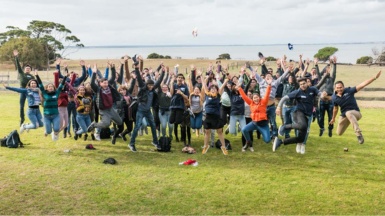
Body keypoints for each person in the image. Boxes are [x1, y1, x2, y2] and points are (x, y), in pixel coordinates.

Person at [273, 78, 326, 154]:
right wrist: (278, 107)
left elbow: (320, 94)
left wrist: (322, 95)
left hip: (309, 114)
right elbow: (284, 98)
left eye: (304, 83)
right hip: (299, 112)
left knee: (301, 138)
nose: (302, 85)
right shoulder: (297, 92)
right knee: (303, 126)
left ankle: (280, 142)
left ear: (307, 83)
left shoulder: (313, 89)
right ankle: (285, 126)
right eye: (301, 84)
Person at [330, 71, 381, 144]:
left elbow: (362, 85)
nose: (339, 89)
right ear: (335, 88)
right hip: (345, 115)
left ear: (343, 87)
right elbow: (335, 108)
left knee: (349, 113)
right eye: (338, 88)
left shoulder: (349, 91)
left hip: (356, 113)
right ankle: (351, 120)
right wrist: (333, 118)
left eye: (341, 87)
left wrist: (374, 78)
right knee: (339, 133)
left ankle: (358, 134)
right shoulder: (334, 97)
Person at [127, 57, 165, 152]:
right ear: (146, 85)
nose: (151, 87)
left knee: (153, 125)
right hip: (140, 110)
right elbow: (139, 79)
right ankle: (131, 144)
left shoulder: (153, 89)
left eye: (152, 86)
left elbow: (159, 81)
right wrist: (136, 68)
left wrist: (163, 72)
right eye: (149, 85)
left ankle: (155, 142)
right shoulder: (143, 88)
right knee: (137, 126)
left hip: (148, 111)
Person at [87, 64, 123, 139]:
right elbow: (92, 83)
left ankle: (114, 130)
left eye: (107, 83)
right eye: (104, 83)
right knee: (106, 124)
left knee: (120, 122)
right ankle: (94, 125)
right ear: (100, 83)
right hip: (103, 110)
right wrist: (93, 73)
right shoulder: (98, 89)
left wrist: (112, 68)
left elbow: (113, 78)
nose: (106, 84)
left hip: (111, 108)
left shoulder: (109, 87)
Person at [238, 79, 272, 152]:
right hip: (254, 123)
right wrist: (239, 88)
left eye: (257, 97)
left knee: (267, 140)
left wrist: (269, 85)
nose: (256, 99)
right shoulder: (251, 103)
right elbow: (244, 96)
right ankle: (248, 142)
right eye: (254, 98)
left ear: (259, 97)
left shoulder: (263, 102)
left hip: (263, 125)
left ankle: (269, 133)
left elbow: (267, 94)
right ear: (252, 99)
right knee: (244, 130)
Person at [36, 70, 67, 141]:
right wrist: (37, 76)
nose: (50, 87)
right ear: (47, 88)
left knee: (56, 129)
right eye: (49, 86)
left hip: (55, 115)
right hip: (46, 116)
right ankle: (47, 131)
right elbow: (40, 84)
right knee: (49, 131)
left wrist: (65, 77)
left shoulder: (56, 93)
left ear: (53, 88)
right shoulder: (44, 93)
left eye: (52, 86)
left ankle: (54, 133)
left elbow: (61, 85)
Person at [201, 75, 228, 155]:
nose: (213, 89)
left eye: (214, 88)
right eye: (212, 88)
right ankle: (206, 146)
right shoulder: (207, 95)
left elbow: (223, 86)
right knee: (207, 132)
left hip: (216, 117)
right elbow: (204, 84)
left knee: (219, 132)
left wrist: (226, 79)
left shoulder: (218, 95)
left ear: (217, 90)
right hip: (208, 116)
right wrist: (202, 76)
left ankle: (223, 147)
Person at [315, 56, 338, 137]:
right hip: (322, 101)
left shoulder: (331, 79)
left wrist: (334, 64)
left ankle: (330, 129)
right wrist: (316, 65)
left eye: (328, 71)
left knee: (330, 117)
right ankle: (321, 128)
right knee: (320, 117)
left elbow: (334, 73)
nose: (326, 72)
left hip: (330, 100)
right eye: (325, 71)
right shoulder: (321, 79)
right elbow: (318, 73)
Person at [13, 50, 36, 126]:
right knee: (21, 106)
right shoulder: (21, 74)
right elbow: (18, 66)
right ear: (24, 69)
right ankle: (22, 119)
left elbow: (36, 84)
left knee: (32, 105)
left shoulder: (32, 77)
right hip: (23, 91)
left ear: (30, 70)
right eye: (26, 68)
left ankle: (33, 119)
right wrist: (16, 57)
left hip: (29, 91)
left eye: (29, 69)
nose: (27, 69)